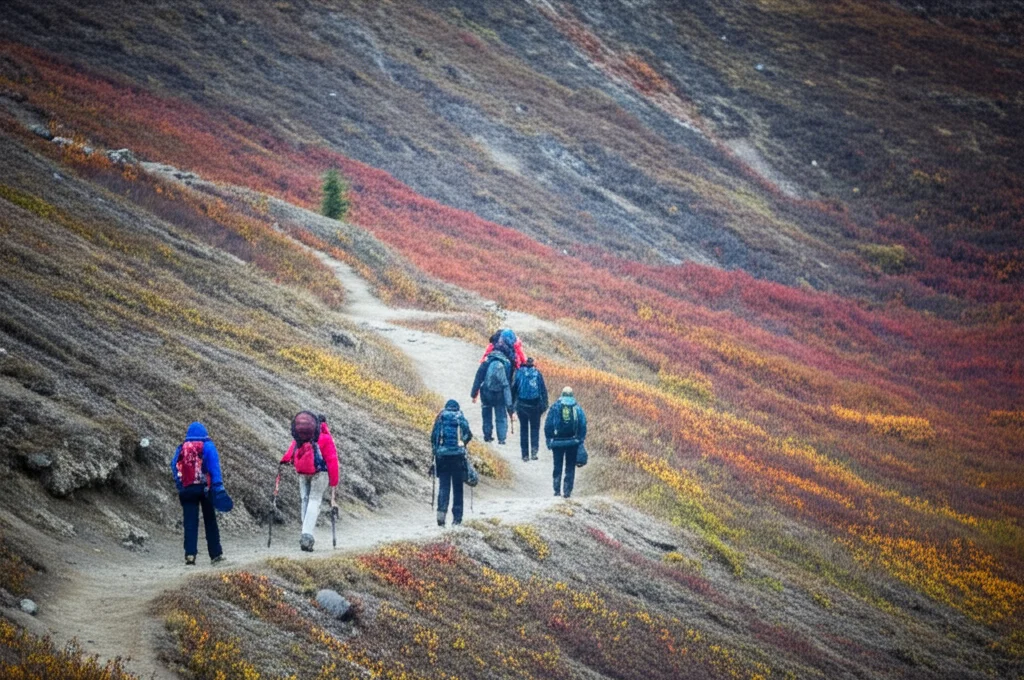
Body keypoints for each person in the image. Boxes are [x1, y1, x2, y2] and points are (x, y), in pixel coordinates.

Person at [279, 411, 339, 552]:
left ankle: (305, 533)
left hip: (302, 471)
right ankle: (307, 534)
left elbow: (291, 450)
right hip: (320, 473)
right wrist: (334, 482)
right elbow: (332, 460)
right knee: (314, 500)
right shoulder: (325, 437)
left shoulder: (302, 436)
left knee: (304, 499)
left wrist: (284, 461)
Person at [170, 421, 226, 565]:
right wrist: (218, 486)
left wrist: (180, 484)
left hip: (187, 489)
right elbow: (214, 467)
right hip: (205, 489)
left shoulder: (182, 447)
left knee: (190, 523)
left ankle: (190, 555)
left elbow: (174, 465)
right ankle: (215, 555)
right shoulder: (207, 446)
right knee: (210, 521)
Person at [431, 399, 473, 526]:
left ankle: (441, 517)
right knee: (458, 489)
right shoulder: (460, 417)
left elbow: (434, 437)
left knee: (444, 487)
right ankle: (457, 519)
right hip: (457, 458)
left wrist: (436, 453)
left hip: (442, 458)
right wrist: (462, 444)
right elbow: (468, 434)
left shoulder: (440, 417)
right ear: (457, 407)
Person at [544, 387, 587, 499]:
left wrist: (549, 439)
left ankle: (556, 490)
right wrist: (580, 440)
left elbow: (548, 425)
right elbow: (583, 425)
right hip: (572, 442)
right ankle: (567, 491)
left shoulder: (555, 407)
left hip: (557, 443)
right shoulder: (577, 408)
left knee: (557, 465)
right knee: (570, 467)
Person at [471, 346, 514, 444]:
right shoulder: (506, 363)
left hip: (486, 393)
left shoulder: (486, 361)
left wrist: (474, 394)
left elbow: (478, 378)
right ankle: (502, 439)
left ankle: (487, 436)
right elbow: (507, 383)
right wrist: (510, 406)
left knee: (486, 414)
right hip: (499, 394)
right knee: (501, 415)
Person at [512, 357, 548, 462]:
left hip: (522, 406)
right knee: (535, 429)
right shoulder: (537, 374)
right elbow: (543, 391)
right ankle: (534, 452)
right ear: (533, 364)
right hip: (535, 406)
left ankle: (525, 455)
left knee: (524, 429)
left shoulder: (518, 373)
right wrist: (544, 406)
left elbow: (514, 389)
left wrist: (512, 406)